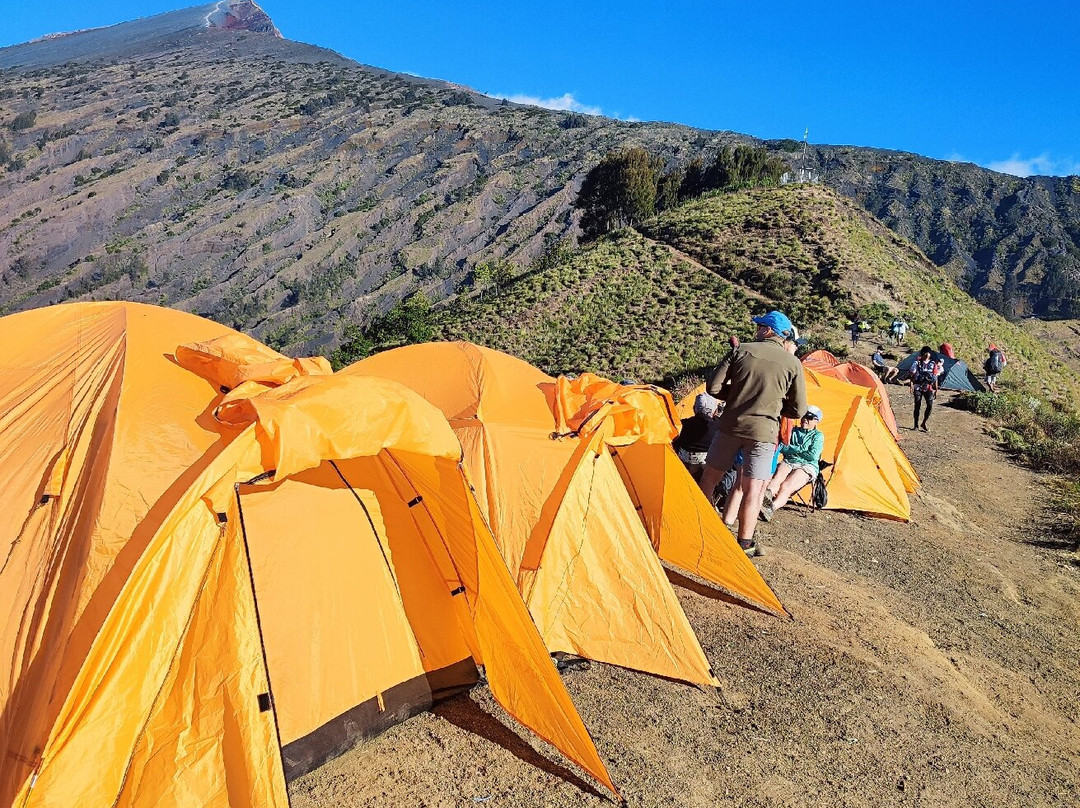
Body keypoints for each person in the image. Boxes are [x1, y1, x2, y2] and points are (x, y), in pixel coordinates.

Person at [698, 310, 807, 557]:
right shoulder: (792, 363)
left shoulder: (740, 351)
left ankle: (700, 526)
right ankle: (745, 544)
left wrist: (736, 397)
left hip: (730, 426)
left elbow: (713, 387)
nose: (756, 330)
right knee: (753, 489)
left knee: (709, 479)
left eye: (760, 327)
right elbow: (798, 409)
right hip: (764, 433)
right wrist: (775, 407)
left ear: (768, 331)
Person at [759, 405, 825, 521]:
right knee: (776, 480)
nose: (805, 419)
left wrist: (793, 449)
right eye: (803, 416)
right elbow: (783, 448)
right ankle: (763, 500)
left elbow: (813, 455)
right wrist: (802, 449)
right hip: (789, 461)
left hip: (807, 466)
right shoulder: (793, 430)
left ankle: (770, 509)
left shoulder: (818, 436)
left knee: (786, 486)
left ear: (816, 421)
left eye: (809, 417)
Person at [674, 392, 720, 480]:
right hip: (706, 468)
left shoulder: (683, 424)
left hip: (684, 465)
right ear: (715, 410)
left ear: (694, 408)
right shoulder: (718, 427)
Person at [910, 346, 941, 432]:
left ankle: (924, 422)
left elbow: (935, 377)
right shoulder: (916, 363)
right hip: (918, 386)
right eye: (926, 353)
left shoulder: (933, 364)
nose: (927, 355)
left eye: (928, 353)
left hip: (929, 387)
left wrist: (936, 390)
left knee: (930, 405)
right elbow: (912, 374)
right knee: (917, 405)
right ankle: (916, 425)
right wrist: (911, 385)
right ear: (923, 354)